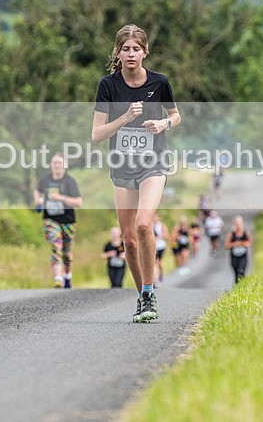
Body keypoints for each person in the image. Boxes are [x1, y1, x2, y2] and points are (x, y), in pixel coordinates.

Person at [92, 23, 181, 323]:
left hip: (153, 164)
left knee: (144, 225)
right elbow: (96, 134)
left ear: (145, 52)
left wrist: (162, 125)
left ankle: (149, 289)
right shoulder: (108, 85)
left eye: (136, 49)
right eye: (125, 49)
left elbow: (175, 115)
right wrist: (125, 117)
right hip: (122, 167)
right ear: (117, 52)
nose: (131, 54)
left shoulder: (160, 82)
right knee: (128, 239)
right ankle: (144, 297)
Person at [34, 152, 83, 288]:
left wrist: (61, 198)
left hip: (68, 220)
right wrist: (37, 200)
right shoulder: (45, 180)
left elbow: (79, 202)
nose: (57, 166)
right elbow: (37, 192)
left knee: (67, 252)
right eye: (54, 163)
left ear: (64, 166)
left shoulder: (70, 182)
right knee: (56, 246)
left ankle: (67, 276)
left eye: (59, 163)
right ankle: (58, 279)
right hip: (50, 219)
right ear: (51, 165)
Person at [225, 215, 252, 284]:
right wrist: (234, 244)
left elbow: (249, 242)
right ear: (234, 224)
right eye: (236, 224)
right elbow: (226, 245)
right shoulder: (231, 234)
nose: (238, 225)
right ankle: (238, 287)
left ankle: (243, 285)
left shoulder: (245, 232)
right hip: (234, 256)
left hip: (243, 256)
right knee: (236, 273)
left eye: (239, 223)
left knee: (241, 271)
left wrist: (241, 243)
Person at [152, 213, 169, 287]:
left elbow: (166, 235)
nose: (155, 219)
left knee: (159, 263)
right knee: (155, 262)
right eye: (154, 217)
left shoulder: (161, 225)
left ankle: (161, 274)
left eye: (156, 217)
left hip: (161, 246)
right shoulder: (150, 225)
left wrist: (160, 236)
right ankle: (156, 280)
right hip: (153, 246)